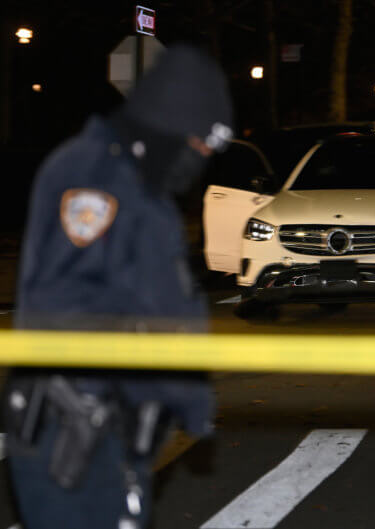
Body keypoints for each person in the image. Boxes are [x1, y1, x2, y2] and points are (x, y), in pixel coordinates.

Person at [2, 45, 233, 529]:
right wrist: (154, 382)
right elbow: (67, 301)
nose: (201, 160)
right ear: (171, 122)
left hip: (116, 430)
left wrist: (187, 397)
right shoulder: (93, 176)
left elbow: (164, 299)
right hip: (70, 427)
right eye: (200, 144)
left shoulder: (147, 193)